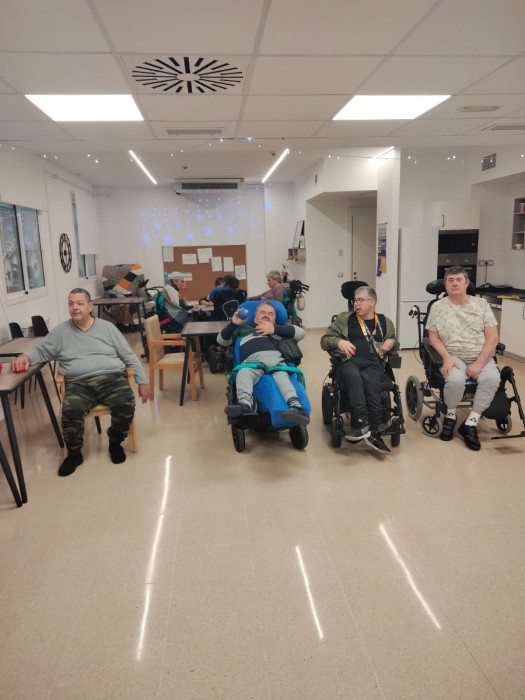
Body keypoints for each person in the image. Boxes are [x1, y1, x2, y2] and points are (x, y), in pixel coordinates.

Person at [11, 288, 150, 477]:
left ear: (90, 306)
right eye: (71, 304)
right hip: (78, 383)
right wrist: (25, 356)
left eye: (79, 303)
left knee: (125, 403)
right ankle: (74, 454)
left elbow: (129, 356)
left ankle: (115, 442)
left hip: (111, 379)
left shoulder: (108, 328)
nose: (74, 307)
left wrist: (142, 381)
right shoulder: (61, 332)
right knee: (71, 411)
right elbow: (42, 351)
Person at [426, 265, 499, 451]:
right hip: (453, 354)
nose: (455, 284)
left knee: (492, 378)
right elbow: (433, 338)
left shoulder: (481, 304)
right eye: (450, 280)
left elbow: (493, 337)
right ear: (445, 284)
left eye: (459, 280)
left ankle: (471, 423)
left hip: (480, 354)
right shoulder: (437, 307)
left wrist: (479, 364)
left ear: (467, 283)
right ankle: (451, 415)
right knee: (455, 380)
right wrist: (446, 358)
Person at [320, 286, 397, 454]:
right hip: (349, 361)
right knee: (354, 377)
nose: (356, 304)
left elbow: (394, 340)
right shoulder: (344, 319)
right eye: (355, 300)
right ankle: (361, 421)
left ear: (372, 302)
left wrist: (391, 342)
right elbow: (325, 340)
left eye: (360, 300)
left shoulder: (385, 321)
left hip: (373, 362)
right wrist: (339, 342)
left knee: (371, 381)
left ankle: (374, 430)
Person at [217, 302, 309, 425]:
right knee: (244, 374)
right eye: (262, 313)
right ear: (255, 317)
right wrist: (233, 324)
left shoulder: (280, 330)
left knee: (282, 376)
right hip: (252, 363)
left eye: (271, 314)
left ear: (275, 319)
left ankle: (296, 407)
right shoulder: (244, 329)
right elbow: (221, 340)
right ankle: (245, 404)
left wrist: (274, 329)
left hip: (276, 362)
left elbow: (301, 333)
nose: (266, 315)